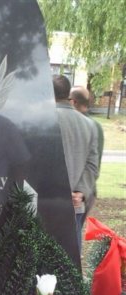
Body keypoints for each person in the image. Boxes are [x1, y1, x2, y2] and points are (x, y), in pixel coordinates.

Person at [52, 75, 99, 254]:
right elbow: (92, 165)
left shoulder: (43, 121)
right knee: (70, 261)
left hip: (46, 203)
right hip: (75, 203)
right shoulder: (90, 125)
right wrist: (80, 192)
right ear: (68, 96)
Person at [69, 85, 104, 215]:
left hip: (83, 192)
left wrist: (80, 192)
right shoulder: (92, 125)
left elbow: (93, 163)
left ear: (73, 101)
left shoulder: (91, 125)